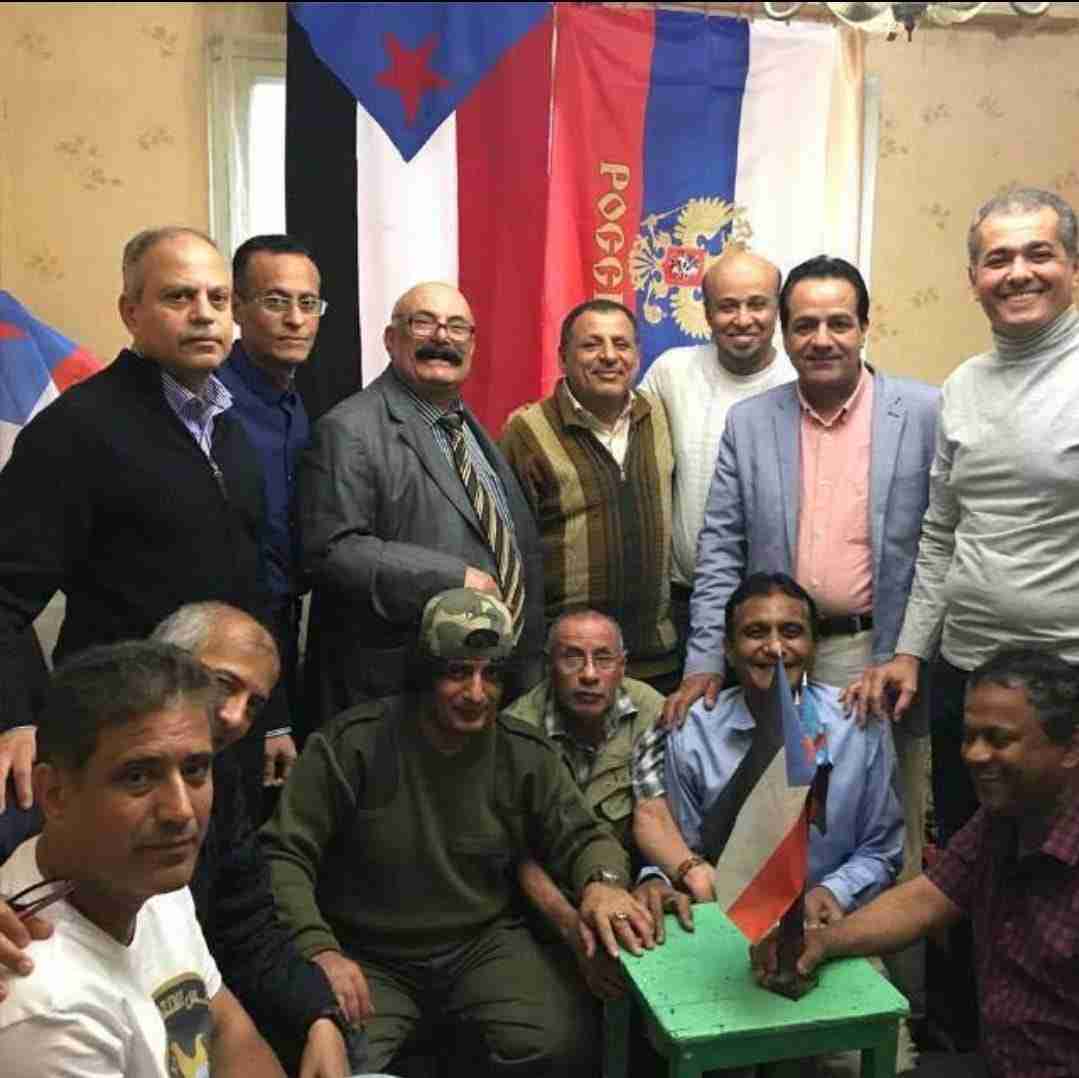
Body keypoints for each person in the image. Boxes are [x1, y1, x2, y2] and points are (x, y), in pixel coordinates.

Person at [261, 587, 655, 1075]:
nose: (476, 693)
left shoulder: (522, 751)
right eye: (457, 672)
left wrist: (603, 884)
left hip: (481, 943)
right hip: (368, 952)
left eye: (491, 674)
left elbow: (584, 836)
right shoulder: (352, 746)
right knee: (340, 1056)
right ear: (424, 672)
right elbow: (284, 854)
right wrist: (318, 948)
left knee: (559, 1040)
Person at [665, 256, 937, 908]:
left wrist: (908, 651)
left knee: (889, 835)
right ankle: (777, 947)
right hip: (779, 655)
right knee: (787, 826)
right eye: (805, 325)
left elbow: (941, 542)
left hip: (880, 654)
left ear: (865, 326)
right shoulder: (751, 421)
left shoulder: (923, 411)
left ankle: (886, 972)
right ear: (784, 334)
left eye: (838, 323)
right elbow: (720, 549)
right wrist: (704, 660)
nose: (822, 339)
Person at [0, 603, 352, 1077]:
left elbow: (225, 1025)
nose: (181, 811)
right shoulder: (46, 1006)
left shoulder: (150, 874)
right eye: (138, 776)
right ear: (55, 794)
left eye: (195, 769)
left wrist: (317, 1012)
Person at [0, 226, 265, 811]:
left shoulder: (232, 429)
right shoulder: (76, 430)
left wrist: (273, 718)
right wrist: (16, 719)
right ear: (130, 312)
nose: (204, 314)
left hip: (223, 738)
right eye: (179, 297)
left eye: (218, 298)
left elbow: (252, 586)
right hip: (123, 746)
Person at [852, 187, 1079, 847]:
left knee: (1057, 876)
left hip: (1065, 676)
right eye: (997, 259)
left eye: (1038, 254)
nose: (1017, 273)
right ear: (973, 278)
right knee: (966, 856)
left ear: (1072, 265)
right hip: (966, 670)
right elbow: (940, 534)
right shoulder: (961, 386)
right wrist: (909, 651)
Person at [756, 649, 1079, 1078]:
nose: (975, 755)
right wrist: (821, 942)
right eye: (969, 736)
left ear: (1071, 747)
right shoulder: (1002, 818)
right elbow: (925, 899)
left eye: (998, 739)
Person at [300, 281, 543, 723]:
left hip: (487, 686)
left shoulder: (467, 429)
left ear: (472, 346)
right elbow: (332, 551)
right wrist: (452, 578)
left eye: (457, 327)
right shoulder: (349, 428)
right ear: (391, 339)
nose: (442, 337)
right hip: (400, 694)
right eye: (424, 323)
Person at [635, 574, 903, 926]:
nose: (775, 648)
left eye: (791, 632)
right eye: (756, 632)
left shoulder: (857, 725)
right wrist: (656, 878)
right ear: (728, 649)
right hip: (723, 921)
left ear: (814, 646)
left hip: (830, 925)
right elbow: (684, 850)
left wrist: (833, 892)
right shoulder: (693, 731)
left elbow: (881, 850)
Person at [503, 609, 691, 1001]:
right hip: (549, 908)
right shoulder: (516, 731)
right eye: (572, 658)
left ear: (622, 666)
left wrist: (653, 878)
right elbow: (518, 858)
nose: (589, 674)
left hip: (634, 888)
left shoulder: (652, 713)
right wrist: (576, 932)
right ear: (549, 666)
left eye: (603, 659)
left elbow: (665, 818)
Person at [500, 299, 678, 690]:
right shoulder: (526, 433)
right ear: (562, 357)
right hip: (566, 666)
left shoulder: (661, 416)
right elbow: (508, 551)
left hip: (655, 660)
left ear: (637, 355)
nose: (609, 356)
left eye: (621, 344)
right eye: (592, 344)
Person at [639, 248, 796, 663]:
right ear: (706, 313)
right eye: (727, 306)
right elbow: (622, 437)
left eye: (757, 304)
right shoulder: (671, 371)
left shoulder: (801, 379)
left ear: (778, 310)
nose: (743, 319)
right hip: (682, 602)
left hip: (776, 608)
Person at [219, 234, 323, 771]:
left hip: (284, 626)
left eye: (308, 303)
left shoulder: (295, 404)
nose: (295, 320)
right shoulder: (211, 403)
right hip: (223, 639)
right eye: (276, 301)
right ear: (237, 307)